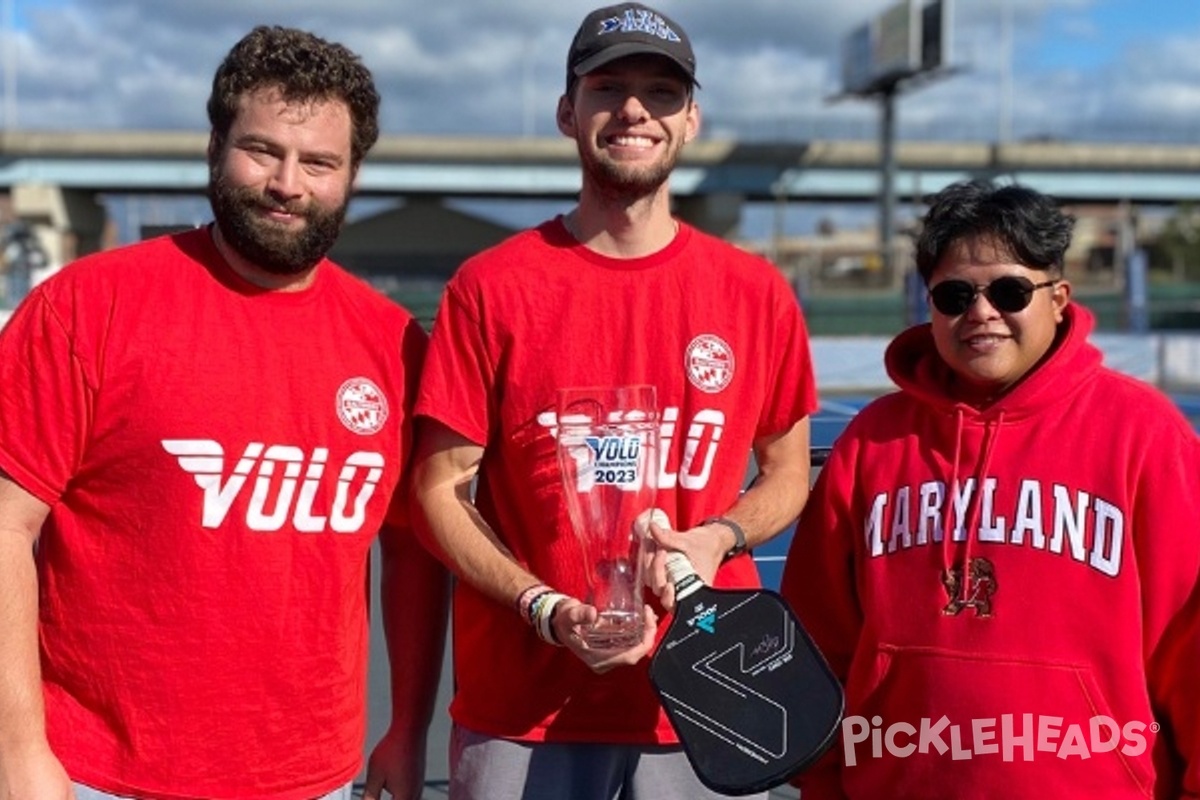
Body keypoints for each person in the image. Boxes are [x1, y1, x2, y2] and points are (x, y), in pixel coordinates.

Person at [0, 25, 449, 800]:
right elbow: (7, 526)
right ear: (215, 147)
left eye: (318, 162)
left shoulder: (394, 345)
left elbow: (410, 553)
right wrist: (20, 753)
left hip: (313, 780)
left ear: (352, 174)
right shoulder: (85, 307)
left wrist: (405, 730)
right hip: (97, 775)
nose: (287, 183)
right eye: (261, 150)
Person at [409, 4, 816, 798]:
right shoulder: (491, 288)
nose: (635, 109)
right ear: (568, 111)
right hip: (522, 710)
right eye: (609, 87)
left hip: (706, 700)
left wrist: (715, 541)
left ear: (691, 118)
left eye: (661, 93)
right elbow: (437, 490)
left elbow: (788, 474)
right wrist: (543, 607)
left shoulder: (755, 293)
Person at [781, 180, 1200, 798]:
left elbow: (1189, 646)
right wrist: (824, 786)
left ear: (1059, 298)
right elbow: (819, 641)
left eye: (1009, 291)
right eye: (955, 295)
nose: (981, 312)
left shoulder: (1144, 433)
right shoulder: (874, 442)